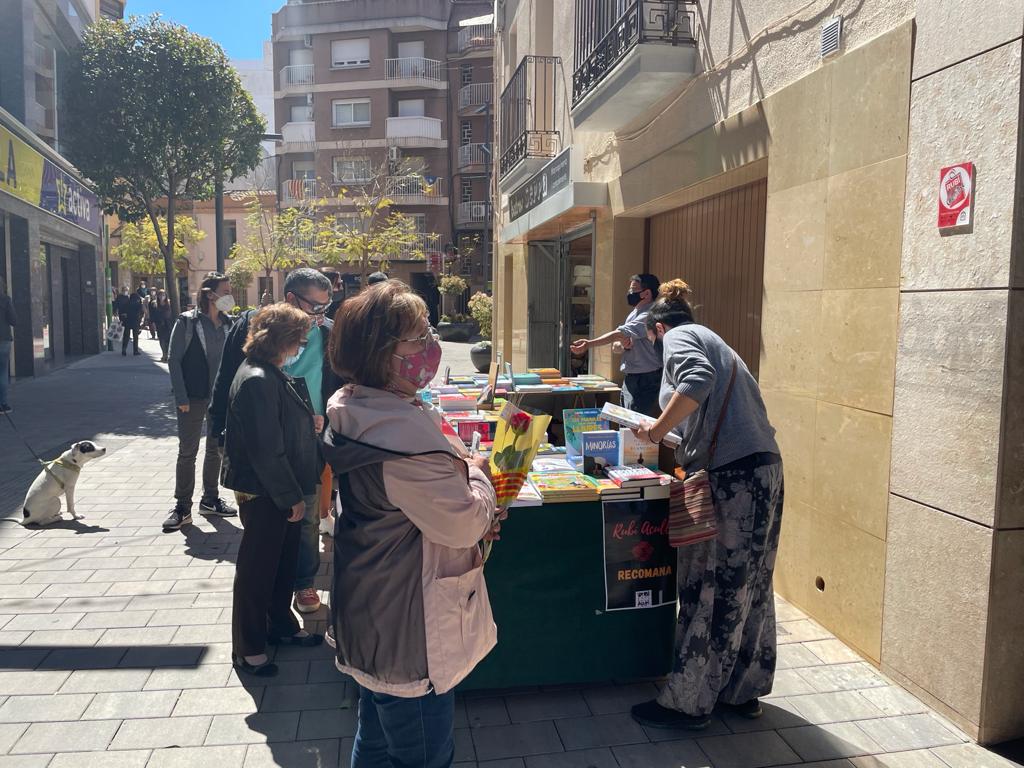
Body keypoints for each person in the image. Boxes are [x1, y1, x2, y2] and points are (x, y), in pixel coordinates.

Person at [322, 280, 499, 768]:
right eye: (418, 338)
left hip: (372, 607)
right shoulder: (401, 444)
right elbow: (464, 523)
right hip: (409, 628)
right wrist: (481, 477)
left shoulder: (358, 407)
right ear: (382, 354)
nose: (432, 348)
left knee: (375, 737)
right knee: (420, 753)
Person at [629, 279, 783, 730]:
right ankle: (742, 691)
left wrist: (655, 432)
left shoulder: (678, 337)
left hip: (731, 480)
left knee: (707, 583)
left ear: (657, 329)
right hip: (763, 471)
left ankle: (688, 702)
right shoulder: (714, 340)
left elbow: (697, 381)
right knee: (750, 583)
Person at [208, 268, 341, 615]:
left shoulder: (327, 333)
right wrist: (219, 434)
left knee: (309, 514)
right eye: (315, 308)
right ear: (293, 299)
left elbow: (337, 383)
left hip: (309, 437)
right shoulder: (253, 327)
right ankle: (267, 605)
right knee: (268, 525)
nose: (320, 317)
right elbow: (225, 382)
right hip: (263, 442)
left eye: (326, 308)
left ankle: (303, 583)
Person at [222, 302, 323, 676]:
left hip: (280, 487)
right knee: (258, 568)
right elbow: (265, 447)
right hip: (266, 491)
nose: (302, 346)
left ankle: (280, 626)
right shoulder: (256, 379)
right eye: (299, 339)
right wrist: (289, 496)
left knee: (281, 565)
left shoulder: (266, 372)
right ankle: (247, 647)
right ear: (282, 340)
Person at [164, 272, 238, 531]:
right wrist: (181, 396)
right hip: (192, 398)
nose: (230, 296)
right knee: (188, 452)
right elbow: (173, 360)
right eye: (226, 291)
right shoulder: (187, 322)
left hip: (220, 399)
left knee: (215, 450)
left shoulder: (231, 324)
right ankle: (182, 506)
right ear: (210, 294)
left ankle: (210, 499)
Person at [570, 273, 663, 417]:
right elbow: (617, 346)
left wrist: (589, 344)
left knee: (637, 422)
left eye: (633, 290)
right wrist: (623, 345)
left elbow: (619, 333)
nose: (629, 293)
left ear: (646, 293)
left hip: (646, 378)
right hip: (632, 376)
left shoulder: (650, 314)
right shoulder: (634, 313)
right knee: (625, 420)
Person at [0, 276, 16, 414]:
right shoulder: (5, 300)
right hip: (3, 339)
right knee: (2, 372)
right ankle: (3, 404)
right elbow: (13, 320)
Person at [117, 288, 145, 356]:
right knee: (135, 337)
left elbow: (122, 312)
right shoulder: (138, 304)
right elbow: (141, 312)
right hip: (135, 322)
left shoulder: (127, 303)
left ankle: (124, 349)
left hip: (127, 322)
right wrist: (140, 319)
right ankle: (135, 351)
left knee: (126, 336)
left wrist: (122, 319)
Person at [151, 289, 174, 362]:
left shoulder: (169, 303)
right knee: (162, 340)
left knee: (168, 340)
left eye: (163, 295)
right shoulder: (154, 304)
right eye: (160, 295)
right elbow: (153, 315)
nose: (162, 297)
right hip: (159, 324)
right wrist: (153, 324)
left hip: (168, 324)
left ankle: (167, 355)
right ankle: (164, 354)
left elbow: (172, 314)